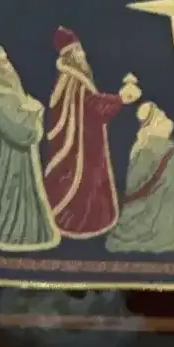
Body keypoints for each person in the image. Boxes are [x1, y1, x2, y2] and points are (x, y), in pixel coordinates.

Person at [43, 28, 140, 238]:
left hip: (85, 141)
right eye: (79, 51)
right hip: (82, 147)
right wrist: (121, 99)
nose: (83, 54)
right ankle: (80, 223)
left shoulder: (68, 79)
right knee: (84, 184)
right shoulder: (74, 81)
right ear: (72, 55)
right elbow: (93, 105)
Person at [0, 45, 59, 250]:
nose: (8, 67)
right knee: (7, 193)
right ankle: (10, 233)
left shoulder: (8, 89)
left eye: (7, 62)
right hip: (8, 158)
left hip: (18, 157)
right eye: (2, 64)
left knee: (22, 193)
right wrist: (33, 114)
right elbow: (15, 126)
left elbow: (18, 110)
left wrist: (29, 108)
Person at [106, 102, 174, 254]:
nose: (165, 118)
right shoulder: (147, 149)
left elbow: (173, 166)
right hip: (143, 216)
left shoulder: (162, 145)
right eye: (161, 117)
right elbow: (163, 175)